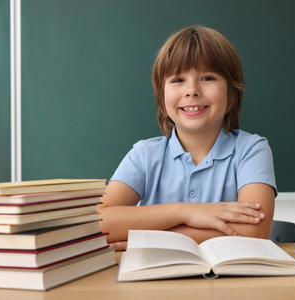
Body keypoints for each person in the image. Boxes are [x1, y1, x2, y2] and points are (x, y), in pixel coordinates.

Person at [97, 25, 277, 250]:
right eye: (178, 80)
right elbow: (97, 224)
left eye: (208, 77)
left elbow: (253, 232)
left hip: (229, 282)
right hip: (156, 280)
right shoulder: (144, 155)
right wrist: (184, 211)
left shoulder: (251, 149)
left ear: (232, 93)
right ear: (162, 96)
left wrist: (142, 237)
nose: (191, 90)